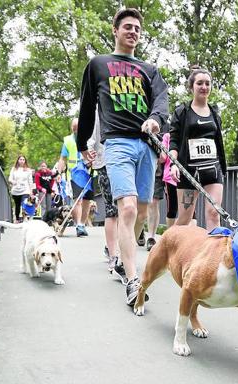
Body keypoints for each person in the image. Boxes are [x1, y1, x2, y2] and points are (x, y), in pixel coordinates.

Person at [77, 8, 169, 306]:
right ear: (115, 30)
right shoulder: (98, 65)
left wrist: (155, 120)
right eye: (127, 27)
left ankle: (120, 258)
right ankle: (133, 281)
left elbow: (161, 102)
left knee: (141, 212)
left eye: (137, 29)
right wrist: (82, 146)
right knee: (127, 209)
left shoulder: (149, 70)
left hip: (147, 145)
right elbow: (87, 107)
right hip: (117, 144)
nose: (133, 32)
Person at [169, 67, 227, 230]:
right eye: (199, 83)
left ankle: (212, 255)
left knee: (214, 214)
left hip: (212, 170)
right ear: (192, 87)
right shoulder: (182, 111)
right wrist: (173, 164)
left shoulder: (215, 112)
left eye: (207, 83)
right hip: (189, 172)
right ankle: (167, 249)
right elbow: (173, 141)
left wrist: (222, 166)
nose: (204, 87)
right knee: (184, 219)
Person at [86, 116, 122, 281]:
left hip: (125, 159)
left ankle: (121, 252)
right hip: (105, 162)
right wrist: (89, 152)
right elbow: (91, 137)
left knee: (127, 208)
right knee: (112, 209)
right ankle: (114, 255)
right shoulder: (97, 110)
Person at [58, 118, 92, 237]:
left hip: (89, 172)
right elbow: (62, 158)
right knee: (78, 199)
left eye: (77, 126)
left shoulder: (91, 137)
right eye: (74, 126)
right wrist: (59, 173)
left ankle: (82, 223)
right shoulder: (67, 140)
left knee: (87, 201)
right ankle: (78, 225)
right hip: (74, 173)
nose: (75, 128)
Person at [8, 155, 34, 223]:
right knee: (17, 205)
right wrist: (14, 182)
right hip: (16, 190)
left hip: (25, 190)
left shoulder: (28, 170)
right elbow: (10, 179)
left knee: (24, 204)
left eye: (23, 159)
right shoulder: (14, 169)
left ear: (25, 161)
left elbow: (30, 181)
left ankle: (24, 219)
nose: (22, 161)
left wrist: (31, 192)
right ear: (18, 160)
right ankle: (17, 218)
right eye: (20, 159)